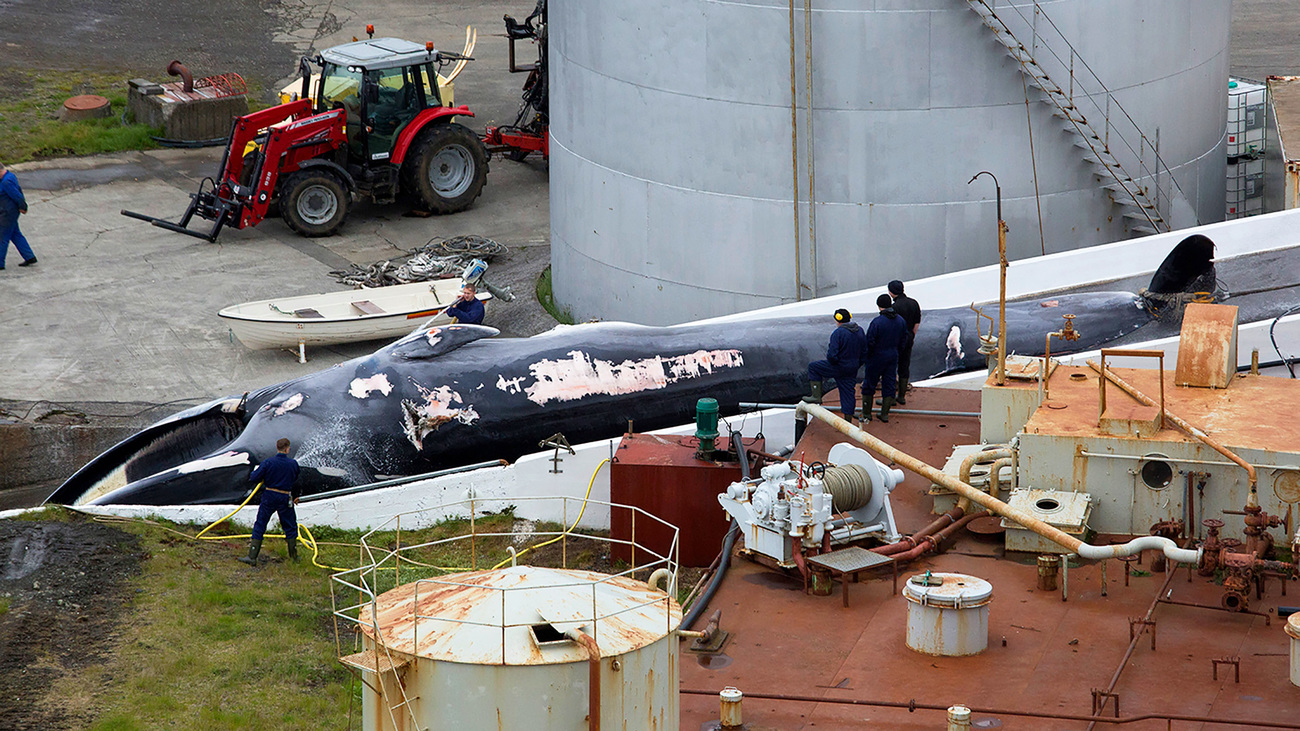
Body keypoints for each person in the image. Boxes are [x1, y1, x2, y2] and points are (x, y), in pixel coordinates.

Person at [239, 438, 301, 565]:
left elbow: (253, 478)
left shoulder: (268, 463)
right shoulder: (293, 464)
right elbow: (295, 480)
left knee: (261, 524)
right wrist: (296, 495)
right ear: (287, 449)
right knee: (290, 526)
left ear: (277, 448)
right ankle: (294, 557)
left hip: (270, 495)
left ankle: (252, 557)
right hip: (285, 497)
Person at [805, 308, 867, 426]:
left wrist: (834, 363)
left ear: (838, 320)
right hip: (852, 367)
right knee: (848, 392)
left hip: (839, 366)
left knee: (813, 367)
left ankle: (816, 396)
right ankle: (848, 421)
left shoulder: (838, 333)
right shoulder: (860, 331)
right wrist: (856, 364)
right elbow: (864, 351)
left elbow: (832, 354)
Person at [862, 293, 909, 423]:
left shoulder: (877, 322)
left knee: (869, 385)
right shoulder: (900, 320)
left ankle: (866, 414)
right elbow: (904, 339)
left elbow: (870, 341)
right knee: (889, 384)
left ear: (879, 306)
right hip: (892, 356)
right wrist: (897, 351)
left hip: (877, 357)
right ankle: (884, 414)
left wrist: (867, 356)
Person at [888, 280, 921, 404]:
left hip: (896, 340)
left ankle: (890, 398)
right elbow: (917, 322)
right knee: (904, 366)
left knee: (891, 368)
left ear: (891, 292)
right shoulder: (914, 303)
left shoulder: (894, 307)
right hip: (909, 337)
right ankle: (901, 396)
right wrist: (911, 335)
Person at [0, 161, 36, 271]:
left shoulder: (6, 182)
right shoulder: (9, 176)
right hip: (9, 212)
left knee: (2, 237)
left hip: (7, 213)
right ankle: (29, 257)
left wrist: (23, 207)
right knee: (15, 234)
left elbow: (17, 196)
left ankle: (0, 263)